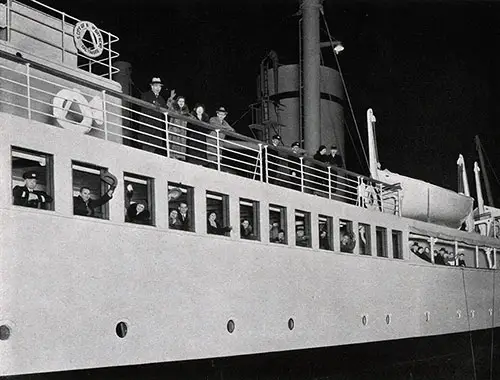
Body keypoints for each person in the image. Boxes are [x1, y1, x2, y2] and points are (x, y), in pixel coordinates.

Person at [140, 77, 172, 153]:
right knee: (146, 149)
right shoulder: (146, 95)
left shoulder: (161, 99)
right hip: (147, 126)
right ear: (152, 86)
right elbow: (144, 108)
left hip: (156, 128)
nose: (158, 88)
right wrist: (155, 105)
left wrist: (170, 100)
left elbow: (165, 110)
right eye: (156, 86)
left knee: (153, 149)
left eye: (159, 86)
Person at [168, 96, 190, 160]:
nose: (181, 102)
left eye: (183, 101)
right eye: (180, 101)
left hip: (182, 133)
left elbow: (192, 118)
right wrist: (171, 98)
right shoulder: (173, 109)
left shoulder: (186, 112)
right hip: (174, 131)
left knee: (181, 148)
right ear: (177, 102)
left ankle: (179, 158)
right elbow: (168, 106)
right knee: (173, 146)